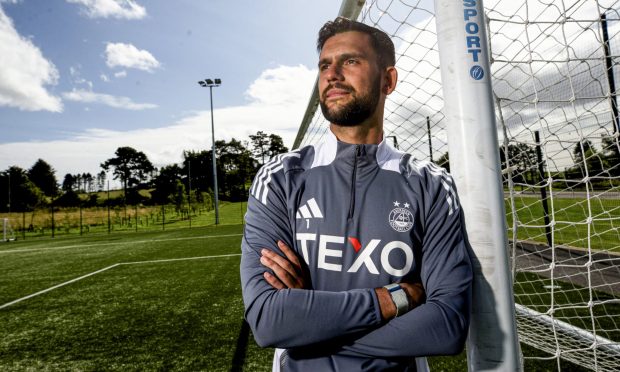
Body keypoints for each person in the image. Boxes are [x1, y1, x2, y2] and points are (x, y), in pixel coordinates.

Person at [240, 17, 472, 371]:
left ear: (388, 80)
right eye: (324, 65)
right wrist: (395, 298)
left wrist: (311, 320)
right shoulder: (280, 178)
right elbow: (269, 320)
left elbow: (446, 325)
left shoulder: (431, 184)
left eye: (350, 61)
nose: (332, 73)